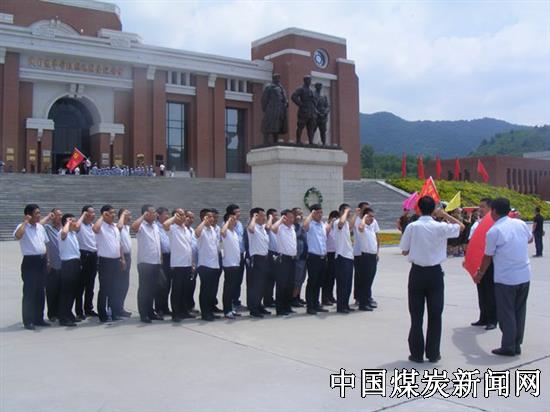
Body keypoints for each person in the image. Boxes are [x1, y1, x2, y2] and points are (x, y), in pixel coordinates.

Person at [399, 196, 464, 363]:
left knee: (416, 316)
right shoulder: (441, 226)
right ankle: (433, 353)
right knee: (435, 315)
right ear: (434, 209)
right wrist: (444, 215)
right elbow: (461, 226)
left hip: (417, 273)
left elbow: (404, 250)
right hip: (435, 274)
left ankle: (416, 354)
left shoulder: (412, 226)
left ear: (418, 209)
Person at [475, 198, 533, 356]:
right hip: (524, 274)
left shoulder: (494, 231)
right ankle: (516, 344)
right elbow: (530, 239)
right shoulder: (520, 224)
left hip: (506, 278)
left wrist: (479, 273)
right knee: (519, 312)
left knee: (506, 313)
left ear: (493, 211)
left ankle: (508, 346)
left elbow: (487, 256)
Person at [14, 204, 51, 330]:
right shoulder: (22, 227)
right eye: (36, 213)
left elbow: (45, 244)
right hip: (30, 262)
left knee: (40, 291)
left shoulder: (40, 227)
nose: (39, 215)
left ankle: (38, 318)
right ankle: (28, 320)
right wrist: (25, 222)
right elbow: (18, 236)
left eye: (39, 213)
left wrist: (48, 261)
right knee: (29, 292)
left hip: (41, 261)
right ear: (29, 215)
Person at [93, 204, 125, 322]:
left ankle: (113, 312)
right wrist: (102, 216)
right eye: (111, 213)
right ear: (105, 214)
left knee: (115, 288)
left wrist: (122, 259)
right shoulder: (101, 226)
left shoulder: (115, 227)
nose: (113, 215)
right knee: (105, 288)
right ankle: (103, 314)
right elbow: (95, 229)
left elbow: (119, 244)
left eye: (114, 213)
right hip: (105, 262)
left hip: (116, 261)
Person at [469, 198, 497, 330]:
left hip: (490, 262)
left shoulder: (494, 224)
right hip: (479, 261)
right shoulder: (477, 224)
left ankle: (492, 319)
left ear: (491, 208)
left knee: (490, 291)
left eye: (483, 207)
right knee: (482, 291)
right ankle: (483, 317)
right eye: (479, 206)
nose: (480, 209)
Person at [132, 205, 163, 323]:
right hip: (145, 262)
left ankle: (150, 311)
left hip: (156, 262)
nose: (155, 214)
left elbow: (157, 243)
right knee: (144, 289)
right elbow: (134, 227)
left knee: (152, 289)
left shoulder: (155, 226)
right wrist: (143, 217)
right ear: (146, 214)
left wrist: (160, 258)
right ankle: (143, 313)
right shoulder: (141, 226)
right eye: (152, 212)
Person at [163, 208, 194, 322]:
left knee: (185, 289)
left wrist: (192, 263)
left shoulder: (186, 229)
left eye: (183, 215)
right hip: (178, 264)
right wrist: (174, 218)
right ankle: (176, 313)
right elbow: (165, 225)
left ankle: (184, 311)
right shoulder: (173, 228)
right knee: (177, 290)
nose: (183, 217)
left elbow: (189, 247)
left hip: (187, 263)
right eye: (180, 215)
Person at [195, 209, 221, 321]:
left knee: (211, 291)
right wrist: (203, 222)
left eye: (212, 217)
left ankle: (210, 311)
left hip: (214, 264)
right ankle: (205, 313)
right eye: (209, 217)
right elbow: (197, 233)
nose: (212, 219)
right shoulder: (202, 230)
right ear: (203, 218)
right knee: (205, 290)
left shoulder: (212, 229)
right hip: (205, 264)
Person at [303, 204, 329, 314]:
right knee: (312, 282)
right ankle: (310, 306)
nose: (320, 215)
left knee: (319, 282)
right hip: (313, 257)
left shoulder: (322, 225)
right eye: (317, 212)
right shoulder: (310, 224)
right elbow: (304, 226)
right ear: (313, 213)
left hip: (323, 257)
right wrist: (311, 215)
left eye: (321, 212)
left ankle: (316, 304)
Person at [271, 209, 297, 316]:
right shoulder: (280, 228)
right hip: (283, 259)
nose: (292, 219)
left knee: (290, 284)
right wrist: (281, 219)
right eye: (289, 217)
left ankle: (287, 306)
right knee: (282, 284)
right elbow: (273, 228)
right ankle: (280, 309)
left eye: (292, 217)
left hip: (292, 259)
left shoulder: (292, 228)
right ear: (284, 218)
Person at [58, 213, 81, 327]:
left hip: (75, 263)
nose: (74, 222)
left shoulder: (73, 233)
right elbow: (63, 234)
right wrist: (67, 222)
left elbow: (78, 226)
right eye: (71, 221)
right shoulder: (62, 233)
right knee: (66, 292)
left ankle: (69, 314)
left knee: (72, 291)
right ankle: (63, 317)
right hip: (67, 264)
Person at [75, 205, 98, 320]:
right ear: (84, 214)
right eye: (90, 213)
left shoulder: (92, 226)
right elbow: (76, 227)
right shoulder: (80, 226)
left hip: (93, 256)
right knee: (80, 286)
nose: (93, 215)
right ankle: (79, 311)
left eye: (94, 213)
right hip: (83, 255)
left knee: (90, 285)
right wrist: (82, 216)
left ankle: (88, 308)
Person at [246, 208, 270, 318]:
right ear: (255, 216)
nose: (264, 218)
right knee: (255, 285)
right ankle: (254, 309)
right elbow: (250, 229)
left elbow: (268, 227)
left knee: (262, 285)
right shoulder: (253, 227)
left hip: (265, 258)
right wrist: (253, 218)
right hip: (257, 259)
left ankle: (259, 305)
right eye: (262, 216)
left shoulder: (262, 228)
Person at [356, 207, 380, 311]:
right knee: (364, 281)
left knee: (369, 281)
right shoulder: (363, 227)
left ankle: (367, 301)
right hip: (365, 257)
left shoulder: (371, 228)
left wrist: (377, 253)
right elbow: (361, 227)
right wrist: (364, 217)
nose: (372, 218)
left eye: (373, 216)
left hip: (372, 257)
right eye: (369, 216)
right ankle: (363, 304)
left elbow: (376, 241)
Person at [333, 203, 356, 314]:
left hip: (349, 256)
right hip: (341, 256)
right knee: (342, 283)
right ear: (342, 212)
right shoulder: (337, 222)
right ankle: (340, 306)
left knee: (348, 283)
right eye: (347, 211)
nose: (349, 213)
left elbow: (351, 225)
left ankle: (345, 304)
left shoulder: (346, 224)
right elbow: (341, 223)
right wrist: (346, 211)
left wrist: (356, 214)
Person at [221, 213, 242, 319]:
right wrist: (228, 222)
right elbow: (222, 232)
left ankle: (230, 308)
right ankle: (227, 311)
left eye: (235, 220)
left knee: (233, 288)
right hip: (229, 264)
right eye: (233, 220)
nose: (235, 221)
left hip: (236, 264)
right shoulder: (226, 232)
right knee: (228, 289)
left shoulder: (234, 233)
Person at [226, 204, 247, 312]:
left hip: (241, 255)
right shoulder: (226, 224)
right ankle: (229, 304)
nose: (239, 214)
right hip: (232, 257)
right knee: (231, 282)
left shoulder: (239, 224)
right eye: (237, 212)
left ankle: (236, 301)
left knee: (238, 280)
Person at [44, 208, 63, 322]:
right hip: (53, 264)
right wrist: (48, 217)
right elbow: (38, 225)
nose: (60, 217)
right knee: (51, 290)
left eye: (61, 215)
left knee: (62, 290)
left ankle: (61, 312)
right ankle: (52, 314)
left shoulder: (64, 228)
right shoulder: (47, 228)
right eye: (57, 215)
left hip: (64, 264)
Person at [261, 73, 288, 144]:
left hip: (280, 109)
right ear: (273, 79)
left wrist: (286, 103)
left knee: (277, 125)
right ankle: (266, 140)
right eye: (277, 78)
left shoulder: (281, 88)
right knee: (268, 124)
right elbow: (264, 99)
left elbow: (284, 98)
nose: (278, 79)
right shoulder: (269, 87)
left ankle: (275, 140)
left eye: (279, 78)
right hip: (272, 108)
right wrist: (265, 109)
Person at [155, 207, 172, 316]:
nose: (167, 216)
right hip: (161, 257)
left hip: (170, 257)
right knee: (161, 284)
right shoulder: (156, 227)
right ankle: (159, 308)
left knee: (168, 284)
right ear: (159, 215)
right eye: (165, 214)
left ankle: (165, 307)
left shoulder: (169, 227)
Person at [291, 75, 317, 145]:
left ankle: (311, 141)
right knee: (300, 126)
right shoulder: (301, 89)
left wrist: (315, 108)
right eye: (308, 80)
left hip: (311, 111)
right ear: (305, 81)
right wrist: (301, 104)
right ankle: (298, 140)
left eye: (310, 80)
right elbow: (293, 96)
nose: (310, 81)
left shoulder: (311, 90)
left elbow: (313, 101)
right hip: (304, 111)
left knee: (311, 128)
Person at [116, 208, 132, 317]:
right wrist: (122, 259)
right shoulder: (117, 226)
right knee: (119, 284)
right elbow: (119, 227)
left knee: (125, 284)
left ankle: (120, 307)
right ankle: (116, 308)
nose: (130, 217)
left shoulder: (127, 227)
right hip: (121, 257)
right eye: (127, 215)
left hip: (128, 256)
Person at [321, 210, 339, 306]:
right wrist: (331, 223)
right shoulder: (326, 226)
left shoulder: (336, 228)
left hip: (335, 254)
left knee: (332, 277)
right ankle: (325, 298)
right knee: (327, 278)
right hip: (328, 254)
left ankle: (330, 295)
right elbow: (325, 233)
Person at [292, 207, 308, 307]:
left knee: (301, 279)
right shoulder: (293, 226)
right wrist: (300, 226)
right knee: (296, 280)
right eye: (298, 214)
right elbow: (295, 236)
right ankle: (293, 298)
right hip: (297, 257)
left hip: (304, 256)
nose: (300, 216)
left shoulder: (300, 226)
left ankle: (297, 296)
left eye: (301, 214)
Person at [263, 208, 279, 308]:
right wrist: (270, 218)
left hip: (277, 254)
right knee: (269, 279)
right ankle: (267, 300)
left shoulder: (276, 227)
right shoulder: (267, 226)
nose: (276, 217)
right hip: (270, 254)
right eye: (274, 215)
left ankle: (271, 298)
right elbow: (268, 227)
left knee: (274, 279)